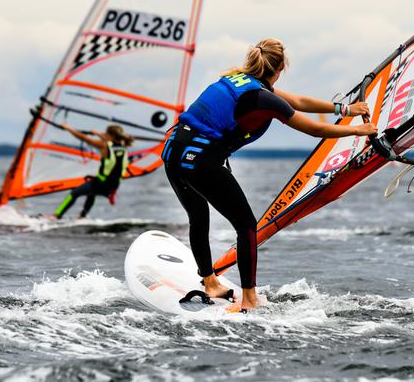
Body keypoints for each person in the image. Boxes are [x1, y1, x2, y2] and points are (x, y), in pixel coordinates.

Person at [161, 38, 378, 312]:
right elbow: (313, 129)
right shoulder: (260, 97)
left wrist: (345, 110)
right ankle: (249, 300)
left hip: (173, 151)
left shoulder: (239, 80)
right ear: (280, 68)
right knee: (246, 225)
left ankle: (210, 282)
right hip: (200, 159)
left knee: (198, 216)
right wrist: (358, 131)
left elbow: (297, 101)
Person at [52, 124, 134, 219]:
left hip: (101, 183)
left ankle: (56, 215)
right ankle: (82, 217)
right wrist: (98, 134)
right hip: (113, 186)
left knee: (74, 193)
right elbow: (110, 140)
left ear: (111, 136)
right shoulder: (124, 147)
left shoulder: (104, 146)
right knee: (91, 194)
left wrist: (68, 128)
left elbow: (84, 138)